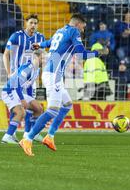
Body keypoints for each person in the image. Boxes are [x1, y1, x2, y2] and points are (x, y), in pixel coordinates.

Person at [19, 13, 109, 156]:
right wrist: (98, 53)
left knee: (67, 104)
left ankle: (50, 136)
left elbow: (49, 43)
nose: (83, 31)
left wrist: (39, 44)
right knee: (53, 110)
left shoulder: (61, 30)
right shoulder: (74, 31)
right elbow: (81, 55)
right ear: (78, 25)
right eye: (83, 28)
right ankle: (27, 138)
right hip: (54, 74)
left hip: (54, 74)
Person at [2, 14, 45, 144]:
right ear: (25, 23)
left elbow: (40, 57)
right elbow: (5, 55)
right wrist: (9, 72)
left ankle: (29, 134)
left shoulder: (40, 38)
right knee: (20, 109)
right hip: (18, 77)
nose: (33, 25)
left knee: (35, 108)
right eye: (31, 22)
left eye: (35, 23)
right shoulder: (17, 36)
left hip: (31, 78)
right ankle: (11, 133)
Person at [1, 51, 42, 145]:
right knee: (21, 112)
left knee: (38, 108)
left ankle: (31, 134)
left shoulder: (37, 69)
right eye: (42, 58)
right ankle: (7, 137)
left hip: (17, 91)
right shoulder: (28, 68)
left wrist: (31, 100)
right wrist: (23, 100)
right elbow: (17, 84)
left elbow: (30, 85)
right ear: (35, 58)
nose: (45, 60)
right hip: (9, 91)